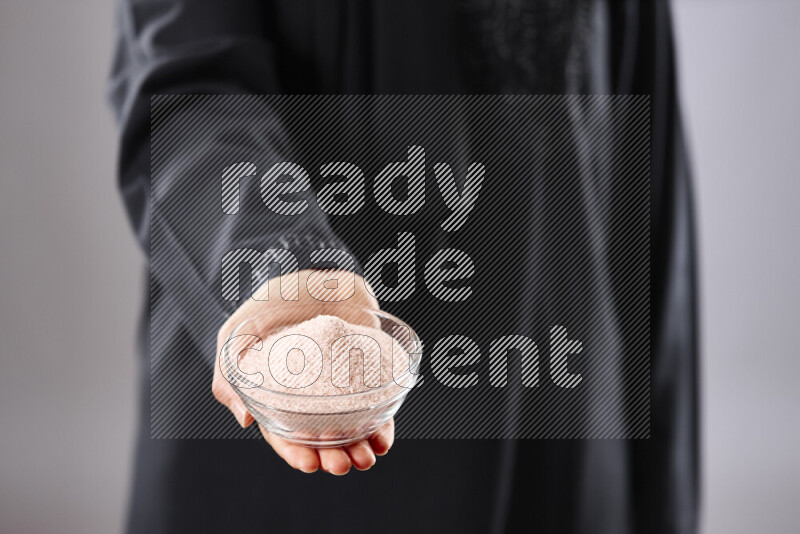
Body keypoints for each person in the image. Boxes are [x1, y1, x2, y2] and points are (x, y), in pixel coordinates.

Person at [109, 1, 698, 532]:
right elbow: (189, 87)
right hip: (308, 458)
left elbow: (643, 162)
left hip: (569, 444)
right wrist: (286, 271)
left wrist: (663, 500)